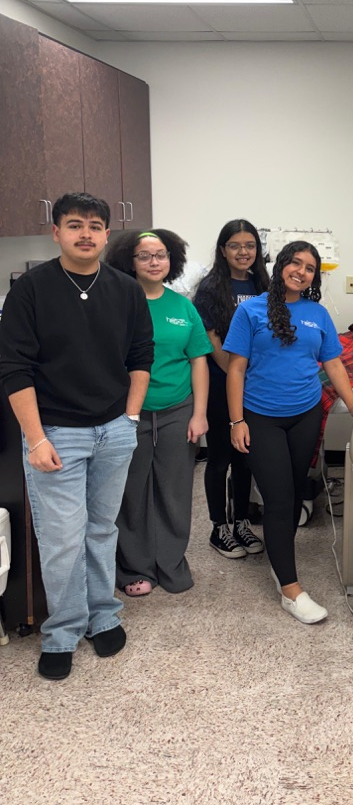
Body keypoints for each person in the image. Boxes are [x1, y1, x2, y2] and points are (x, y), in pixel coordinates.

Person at [0, 193, 153, 680]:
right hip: (56, 434)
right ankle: (63, 631)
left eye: (93, 225)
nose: (85, 233)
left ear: (107, 233)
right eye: (73, 225)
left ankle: (102, 614)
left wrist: (129, 419)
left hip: (114, 429)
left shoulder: (126, 289)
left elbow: (140, 357)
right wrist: (36, 438)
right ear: (56, 232)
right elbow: (13, 368)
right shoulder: (31, 289)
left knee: (101, 530)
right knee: (63, 539)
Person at [224, 241, 353, 625]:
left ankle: (280, 557)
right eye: (295, 263)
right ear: (281, 266)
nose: (301, 271)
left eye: (309, 268)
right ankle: (290, 589)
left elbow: (334, 364)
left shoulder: (317, 313)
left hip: (305, 414)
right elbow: (236, 369)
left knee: (293, 495)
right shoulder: (250, 309)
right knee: (278, 498)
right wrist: (236, 421)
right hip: (261, 417)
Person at [107, 230, 211, 597]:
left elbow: (199, 361)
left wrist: (199, 414)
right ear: (129, 262)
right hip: (129, 413)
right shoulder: (118, 303)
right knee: (130, 492)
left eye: (161, 255)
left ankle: (171, 562)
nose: (154, 262)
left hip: (177, 411)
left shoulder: (183, 306)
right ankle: (134, 567)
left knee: (175, 491)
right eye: (144, 255)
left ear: (172, 260)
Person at [193, 220, 270, 559]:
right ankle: (218, 527)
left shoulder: (264, 285)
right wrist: (237, 373)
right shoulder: (210, 289)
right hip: (223, 381)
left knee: (245, 458)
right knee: (221, 456)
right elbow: (211, 340)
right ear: (223, 250)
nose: (243, 252)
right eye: (236, 245)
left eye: (250, 245)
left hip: (257, 385)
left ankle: (241, 522)